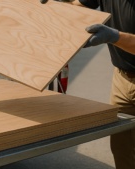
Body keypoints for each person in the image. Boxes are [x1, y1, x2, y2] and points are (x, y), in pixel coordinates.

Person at [57, 0, 135, 168]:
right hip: (121, 79)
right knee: (122, 148)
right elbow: (80, 5)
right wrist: (59, 4)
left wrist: (115, 37)